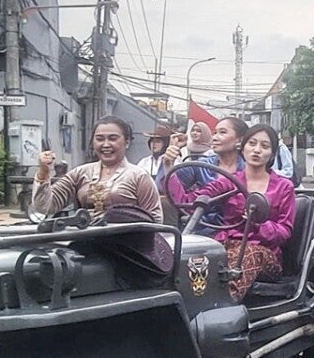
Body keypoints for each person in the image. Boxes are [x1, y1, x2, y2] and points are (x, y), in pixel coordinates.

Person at [33, 116, 172, 273]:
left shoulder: (139, 176)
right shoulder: (80, 173)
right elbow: (45, 206)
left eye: (113, 138)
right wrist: (43, 172)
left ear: (127, 142)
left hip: (127, 254)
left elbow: (155, 221)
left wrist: (122, 222)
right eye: (100, 139)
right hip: (85, 249)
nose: (106, 144)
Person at [213, 123, 296, 301]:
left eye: (264, 146)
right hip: (228, 245)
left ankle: (227, 303)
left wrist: (259, 224)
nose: (257, 150)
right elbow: (190, 200)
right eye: (252, 143)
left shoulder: (284, 187)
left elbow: (285, 231)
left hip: (266, 253)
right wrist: (168, 166)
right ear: (243, 148)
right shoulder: (229, 181)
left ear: (272, 154)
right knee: (199, 256)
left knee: (249, 254)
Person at [166, 115, 248, 228]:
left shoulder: (250, 170)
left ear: (240, 140)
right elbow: (172, 192)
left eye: (222, 132)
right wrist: (168, 163)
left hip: (239, 232)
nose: (215, 138)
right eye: (215, 133)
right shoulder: (201, 166)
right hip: (200, 231)